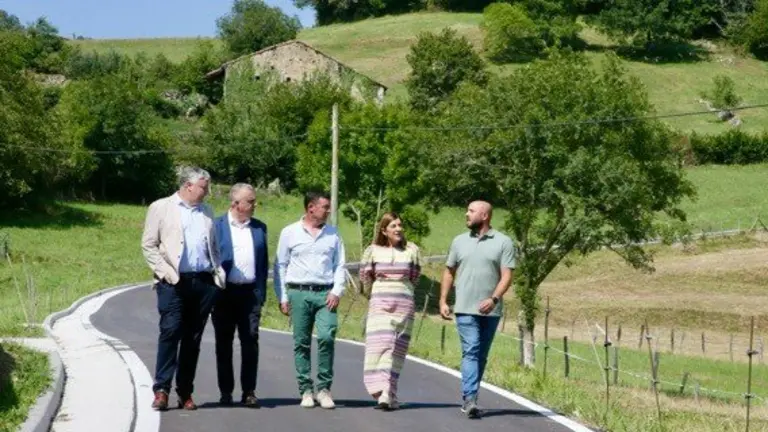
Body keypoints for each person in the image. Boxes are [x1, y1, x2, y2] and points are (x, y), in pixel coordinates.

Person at [141, 166, 226, 411]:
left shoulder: (207, 211)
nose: (207, 191)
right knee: (170, 332)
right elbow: (149, 245)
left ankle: (185, 392)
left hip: (203, 283)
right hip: (173, 282)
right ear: (188, 185)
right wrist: (166, 273)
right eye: (203, 187)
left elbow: (214, 246)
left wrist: (217, 273)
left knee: (193, 339)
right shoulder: (161, 207)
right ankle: (161, 390)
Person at [439, 200, 516, 419]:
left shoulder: (503, 242)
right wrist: (443, 301)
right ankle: (470, 398)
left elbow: (507, 276)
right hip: (464, 308)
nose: (466, 214)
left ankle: (471, 395)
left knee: (481, 354)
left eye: (471, 211)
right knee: (471, 349)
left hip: (490, 310)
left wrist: (494, 299)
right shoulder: (459, 241)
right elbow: (448, 272)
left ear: (484, 215)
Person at [273, 190, 346, 409]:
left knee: (326, 337)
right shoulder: (290, 232)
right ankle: (305, 389)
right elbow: (280, 265)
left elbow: (340, 264)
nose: (328, 211)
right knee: (301, 342)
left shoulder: (333, 234)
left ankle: (324, 389)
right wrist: (283, 295)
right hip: (298, 292)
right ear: (310, 207)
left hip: (325, 293)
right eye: (324, 206)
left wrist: (337, 291)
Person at [212, 183, 268, 408]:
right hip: (224, 294)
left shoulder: (260, 228)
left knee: (250, 341)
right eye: (251, 201)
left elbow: (264, 264)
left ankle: (249, 391)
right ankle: (226, 391)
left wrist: (261, 293)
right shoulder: (216, 226)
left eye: (254, 200)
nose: (255, 204)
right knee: (223, 343)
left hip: (250, 294)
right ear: (236, 203)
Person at [359, 212, 422, 411]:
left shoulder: (411, 250)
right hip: (380, 303)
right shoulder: (373, 250)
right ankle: (383, 391)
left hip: (404, 303)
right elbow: (365, 276)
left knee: (397, 349)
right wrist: (377, 293)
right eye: (393, 226)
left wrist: (402, 290)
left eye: (400, 225)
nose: (398, 229)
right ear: (384, 230)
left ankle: (389, 393)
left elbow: (415, 276)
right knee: (381, 346)